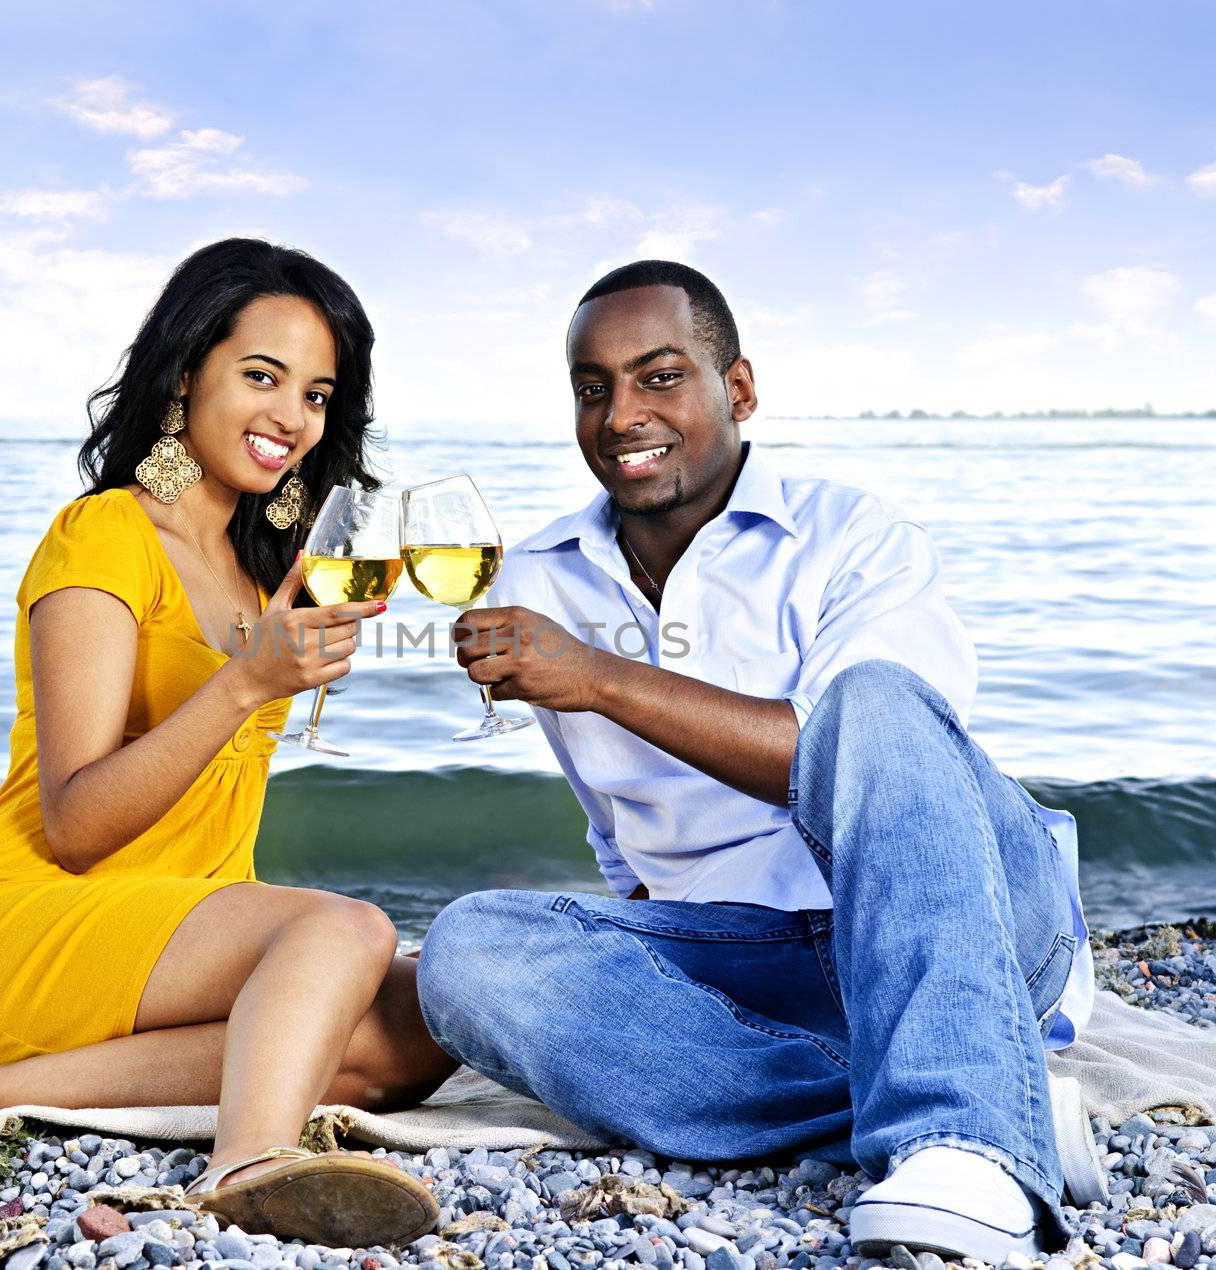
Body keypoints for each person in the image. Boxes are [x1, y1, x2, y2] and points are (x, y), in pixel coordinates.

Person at [0, 238, 455, 1248]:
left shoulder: (269, 573)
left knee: (425, 1016)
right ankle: (247, 1165)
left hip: (174, 927)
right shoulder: (102, 536)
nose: (289, 418)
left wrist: (283, 654)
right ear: (186, 373)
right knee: (347, 931)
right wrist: (248, 682)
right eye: (260, 376)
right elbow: (78, 823)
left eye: (315, 393)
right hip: (45, 913)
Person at [415, 260, 1093, 1263]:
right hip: (750, 963)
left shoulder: (853, 536)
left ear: (736, 388)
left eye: (658, 377)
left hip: (969, 924)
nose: (619, 414)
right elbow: (618, 831)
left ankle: (968, 1143)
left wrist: (599, 676)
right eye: (591, 387)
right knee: (467, 955)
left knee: (871, 699)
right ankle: (981, 1084)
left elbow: (864, 756)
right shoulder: (540, 580)